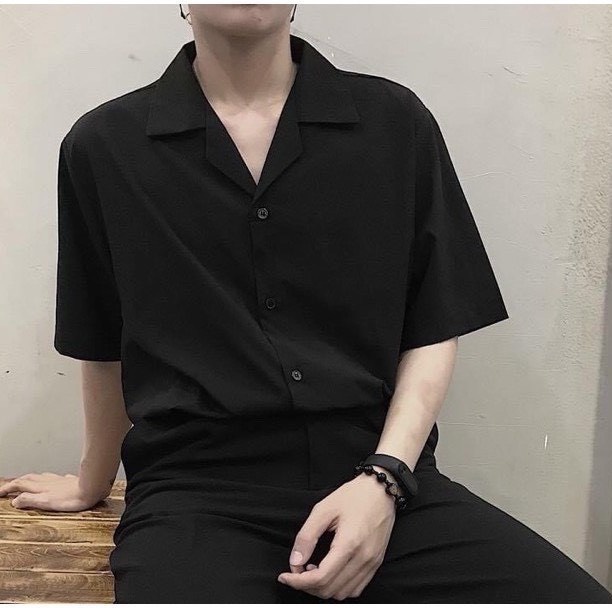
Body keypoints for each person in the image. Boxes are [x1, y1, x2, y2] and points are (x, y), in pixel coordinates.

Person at [2, 4, 611, 604]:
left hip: (382, 479)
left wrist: (385, 478)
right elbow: (100, 337)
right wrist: (92, 480)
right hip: (198, 496)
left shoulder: (393, 122)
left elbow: (432, 324)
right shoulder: (104, 146)